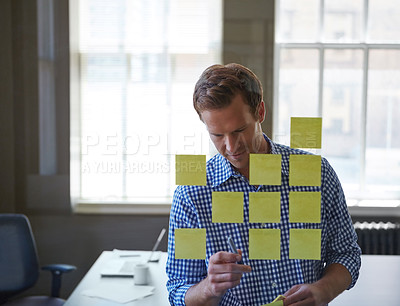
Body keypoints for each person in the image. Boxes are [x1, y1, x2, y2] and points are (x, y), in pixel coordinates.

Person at [166, 63, 361, 306]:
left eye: (239, 130)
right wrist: (208, 288)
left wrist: (324, 290)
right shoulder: (192, 194)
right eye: (217, 135)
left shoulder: (316, 174)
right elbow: (178, 290)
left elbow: (346, 254)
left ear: (260, 112)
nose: (231, 146)